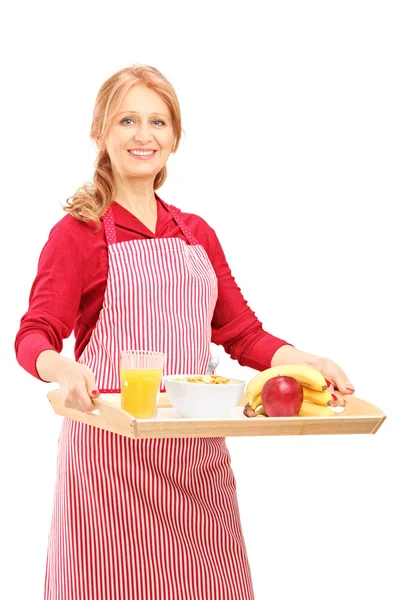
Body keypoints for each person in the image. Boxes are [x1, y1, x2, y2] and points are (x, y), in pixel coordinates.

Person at [15, 64, 355, 600]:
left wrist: (305, 360)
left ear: (175, 137)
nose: (143, 134)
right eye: (127, 119)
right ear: (101, 133)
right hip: (110, 462)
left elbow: (241, 333)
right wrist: (60, 367)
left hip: (196, 459)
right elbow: (34, 333)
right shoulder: (77, 232)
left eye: (157, 121)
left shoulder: (196, 234)